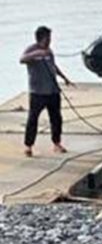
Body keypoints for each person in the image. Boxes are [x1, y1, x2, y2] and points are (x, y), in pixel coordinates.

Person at [19, 26, 73, 157]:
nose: (50, 40)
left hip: (52, 91)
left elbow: (53, 66)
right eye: (48, 38)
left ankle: (57, 143)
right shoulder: (31, 50)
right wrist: (37, 54)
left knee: (56, 119)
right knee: (33, 119)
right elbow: (22, 59)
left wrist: (64, 78)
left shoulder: (49, 51)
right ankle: (28, 146)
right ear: (41, 38)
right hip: (37, 92)